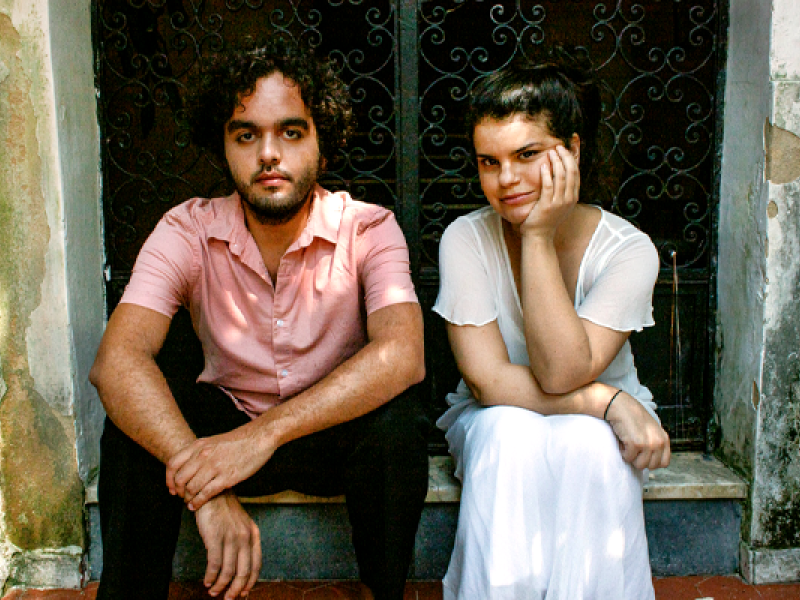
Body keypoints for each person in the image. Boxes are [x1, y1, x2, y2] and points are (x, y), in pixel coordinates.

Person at [89, 38, 430, 600]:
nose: (269, 154)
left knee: (397, 429)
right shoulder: (187, 229)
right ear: (222, 145)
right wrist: (201, 482)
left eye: (291, 132)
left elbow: (403, 354)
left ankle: (381, 593)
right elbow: (118, 360)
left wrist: (264, 435)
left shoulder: (368, 228)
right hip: (222, 422)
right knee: (129, 427)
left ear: (323, 140)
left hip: (326, 430)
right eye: (246, 134)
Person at [433, 53, 672, 599]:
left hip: (598, 431)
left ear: (573, 150)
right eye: (488, 162)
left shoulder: (629, 251)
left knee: (589, 444)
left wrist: (537, 237)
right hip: (502, 419)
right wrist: (610, 403)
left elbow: (561, 370)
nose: (506, 179)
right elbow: (490, 385)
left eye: (527, 155)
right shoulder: (465, 240)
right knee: (507, 433)